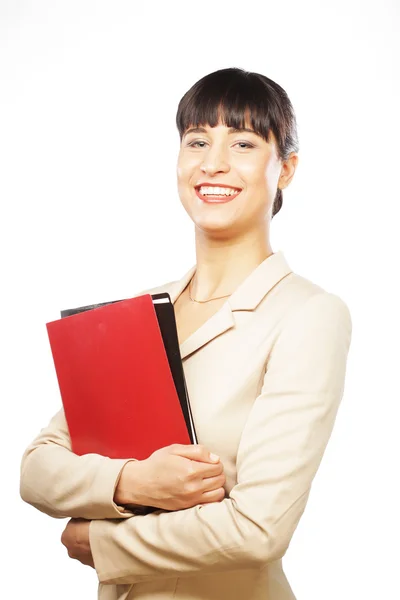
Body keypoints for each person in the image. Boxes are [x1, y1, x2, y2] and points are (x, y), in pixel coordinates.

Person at [19, 67, 352, 600]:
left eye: (243, 142)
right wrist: (132, 482)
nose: (212, 162)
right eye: (197, 140)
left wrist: (101, 543)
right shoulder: (138, 315)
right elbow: (37, 468)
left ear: (285, 168)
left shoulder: (308, 314)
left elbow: (258, 528)